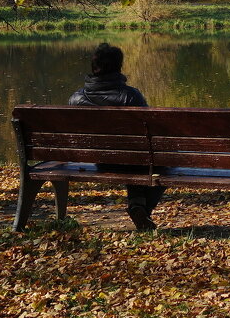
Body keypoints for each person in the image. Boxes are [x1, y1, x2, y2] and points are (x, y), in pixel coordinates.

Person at [68, 42, 164, 231]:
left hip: (97, 160)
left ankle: (138, 205)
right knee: (159, 164)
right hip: (132, 160)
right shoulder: (130, 96)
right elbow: (149, 131)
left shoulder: (76, 98)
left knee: (133, 158)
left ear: (93, 68)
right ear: (119, 67)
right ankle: (140, 207)